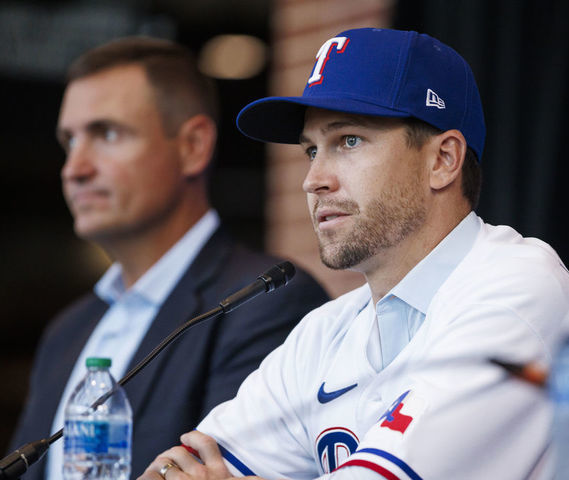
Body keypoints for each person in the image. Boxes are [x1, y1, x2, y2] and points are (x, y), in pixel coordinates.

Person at [140, 28, 569, 480]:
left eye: (348, 141)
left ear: (443, 159)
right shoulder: (324, 332)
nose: (313, 179)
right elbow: (175, 470)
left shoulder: (519, 290)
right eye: (311, 149)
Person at [9, 37, 329, 480]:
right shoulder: (68, 331)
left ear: (193, 146)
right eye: (69, 141)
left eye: (107, 133)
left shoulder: (264, 302)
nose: (74, 168)